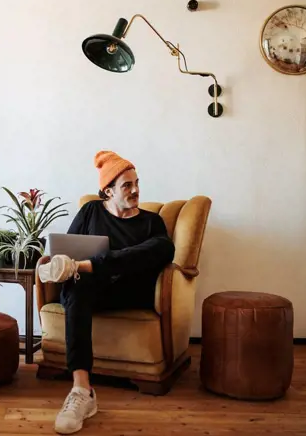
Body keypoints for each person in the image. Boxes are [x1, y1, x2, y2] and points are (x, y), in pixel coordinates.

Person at [37, 150, 175, 434]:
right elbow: (68, 247)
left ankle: (81, 267)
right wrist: (64, 263)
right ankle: (81, 392)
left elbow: (157, 254)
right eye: (127, 185)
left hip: (129, 292)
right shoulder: (90, 211)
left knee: (159, 246)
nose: (136, 190)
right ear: (108, 191)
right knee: (75, 282)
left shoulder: (152, 222)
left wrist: (86, 264)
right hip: (88, 291)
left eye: (137, 183)